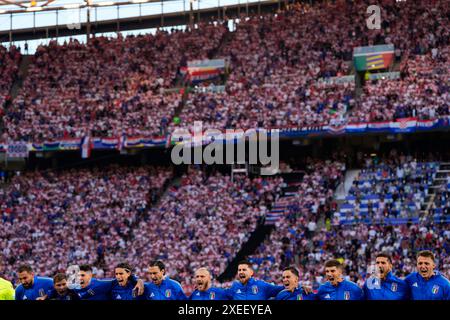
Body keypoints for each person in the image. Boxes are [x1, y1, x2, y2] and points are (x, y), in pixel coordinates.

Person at [74, 264, 144, 300]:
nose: (118, 276)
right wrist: (82, 296)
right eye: (116, 274)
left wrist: (139, 281)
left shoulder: (138, 285)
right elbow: (95, 289)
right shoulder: (112, 284)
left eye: (121, 274)